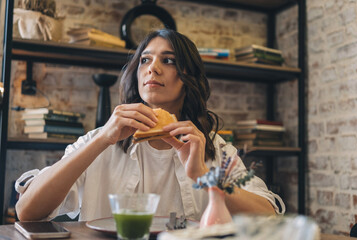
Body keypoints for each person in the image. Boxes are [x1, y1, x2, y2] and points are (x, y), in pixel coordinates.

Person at [15, 29, 285, 222]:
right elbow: (27, 211)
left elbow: (269, 216)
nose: (152, 68)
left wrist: (204, 176)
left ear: (188, 77)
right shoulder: (99, 140)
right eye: (145, 59)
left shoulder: (214, 148)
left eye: (168, 61)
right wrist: (100, 141)